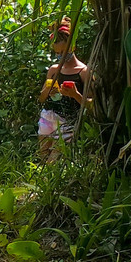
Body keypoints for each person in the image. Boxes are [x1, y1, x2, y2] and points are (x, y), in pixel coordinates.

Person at [37, 16, 91, 161]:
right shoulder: (54, 70)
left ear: (72, 47)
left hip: (67, 123)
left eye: (63, 52)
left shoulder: (83, 72)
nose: (60, 57)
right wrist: (47, 91)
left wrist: (75, 95)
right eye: (57, 53)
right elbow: (41, 98)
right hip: (47, 118)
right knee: (43, 159)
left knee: (53, 162)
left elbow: (93, 104)